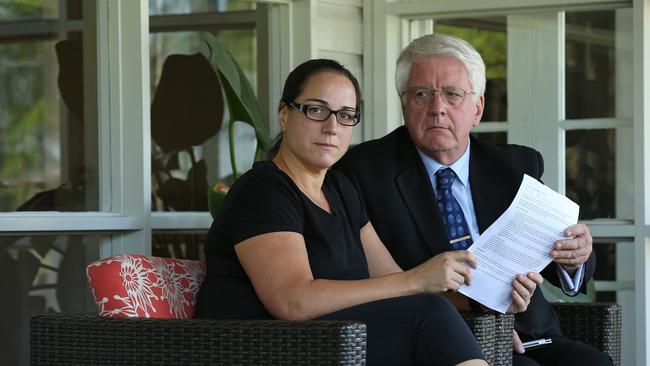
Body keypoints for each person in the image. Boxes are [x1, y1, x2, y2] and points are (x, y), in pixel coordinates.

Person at [334, 34, 612, 366]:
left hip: (530, 333)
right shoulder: (363, 171)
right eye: (422, 94)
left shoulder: (515, 167)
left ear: (477, 108)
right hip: (440, 337)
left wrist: (574, 258)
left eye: (452, 94)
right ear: (404, 105)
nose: (437, 109)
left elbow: (556, 257)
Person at [195, 58, 488, 366]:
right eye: (317, 110)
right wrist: (418, 279)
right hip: (260, 348)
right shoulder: (263, 190)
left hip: (333, 344)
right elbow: (292, 300)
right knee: (428, 315)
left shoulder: (340, 189)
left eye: (345, 115)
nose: (332, 127)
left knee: (431, 314)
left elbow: (393, 281)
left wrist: (479, 303)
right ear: (284, 115)